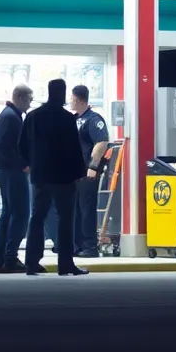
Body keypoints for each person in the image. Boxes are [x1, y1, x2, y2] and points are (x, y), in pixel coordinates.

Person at [18, 79, 88, 276]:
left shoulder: (32, 117)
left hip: (40, 175)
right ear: (63, 93)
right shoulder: (66, 118)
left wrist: (27, 164)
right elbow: (74, 149)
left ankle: (31, 262)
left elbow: (21, 144)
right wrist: (80, 173)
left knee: (37, 217)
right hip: (64, 176)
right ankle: (65, 264)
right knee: (66, 219)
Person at [0, 84, 33, 272]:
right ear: (20, 97)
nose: (30, 104)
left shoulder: (9, 115)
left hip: (5, 170)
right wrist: (22, 164)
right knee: (20, 214)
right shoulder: (11, 117)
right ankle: (10, 257)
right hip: (12, 172)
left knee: (8, 213)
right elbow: (2, 146)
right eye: (29, 99)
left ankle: (0, 257)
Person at [69, 84, 109, 259]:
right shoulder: (75, 118)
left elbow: (101, 143)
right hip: (74, 172)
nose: (70, 101)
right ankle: (77, 245)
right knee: (76, 209)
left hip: (87, 171)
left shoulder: (93, 119)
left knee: (86, 209)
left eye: (71, 98)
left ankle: (90, 246)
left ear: (79, 99)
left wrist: (93, 166)